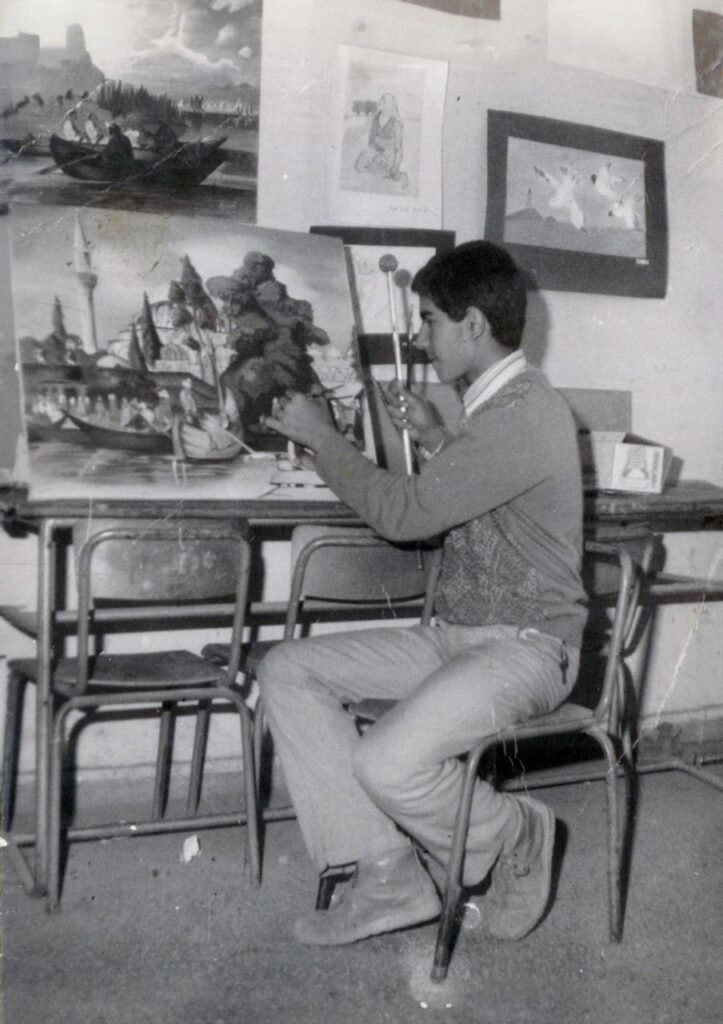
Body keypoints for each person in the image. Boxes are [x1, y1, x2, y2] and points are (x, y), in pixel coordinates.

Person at [259, 240, 587, 947]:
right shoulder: (493, 409)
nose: (418, 336)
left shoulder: (523, 414)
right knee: (286, 668)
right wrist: (439, 440)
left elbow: (405, 516)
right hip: (459, 639)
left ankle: (516, 831)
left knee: (385, 762)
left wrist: (324, 440)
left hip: (528, 648)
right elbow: (491, 493)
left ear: (473, 324)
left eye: (429, 319)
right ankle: (387, 877)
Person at [354, 93, 408, 188]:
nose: (380, 103)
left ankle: (400, 176)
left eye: (384, 101)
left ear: (391, 105)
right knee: (359, 166)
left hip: (389, 152)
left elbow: (398, 147)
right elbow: (371, 140)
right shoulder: (376, 118)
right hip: (376, 148)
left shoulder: (396, 122)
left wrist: (396, 165)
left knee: (381, 168)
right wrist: (370, 153)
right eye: (381, 100)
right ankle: (382, 171)